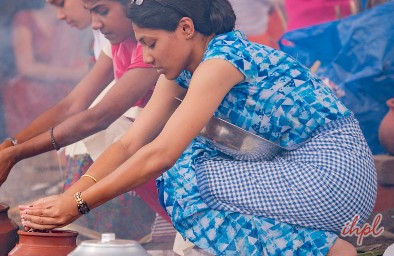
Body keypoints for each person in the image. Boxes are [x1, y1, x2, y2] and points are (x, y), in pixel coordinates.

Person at [20, 0, 377, 255]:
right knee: (188, 160)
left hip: (334, 173)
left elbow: (161, 154)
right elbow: (131, 143)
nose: (144, 57)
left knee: (183, 174)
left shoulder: (222, 60)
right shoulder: (187, 68)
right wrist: (71, 198)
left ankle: (326, 250)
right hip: (293, 170)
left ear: (186, 28)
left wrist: (79, 205)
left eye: (150, 43)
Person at [0, 0, 168, 238]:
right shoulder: (116, 41)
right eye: (91, 12)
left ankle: (144, 224)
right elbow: (72, 105)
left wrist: (16, 155)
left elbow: (100, 116)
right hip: (153, 142)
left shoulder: (154, 45)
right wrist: (6, 148)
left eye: (102, 11)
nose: (95, 23)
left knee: (106, 132)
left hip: (175, 151)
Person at [1, 2, 90, 136]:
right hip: (30, 94)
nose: (60, 13)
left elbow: (77, 60)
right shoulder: (25, 18)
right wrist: (73, 74)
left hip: (60, 92)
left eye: (62, 4)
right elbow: (26, 67)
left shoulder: (68, 24)